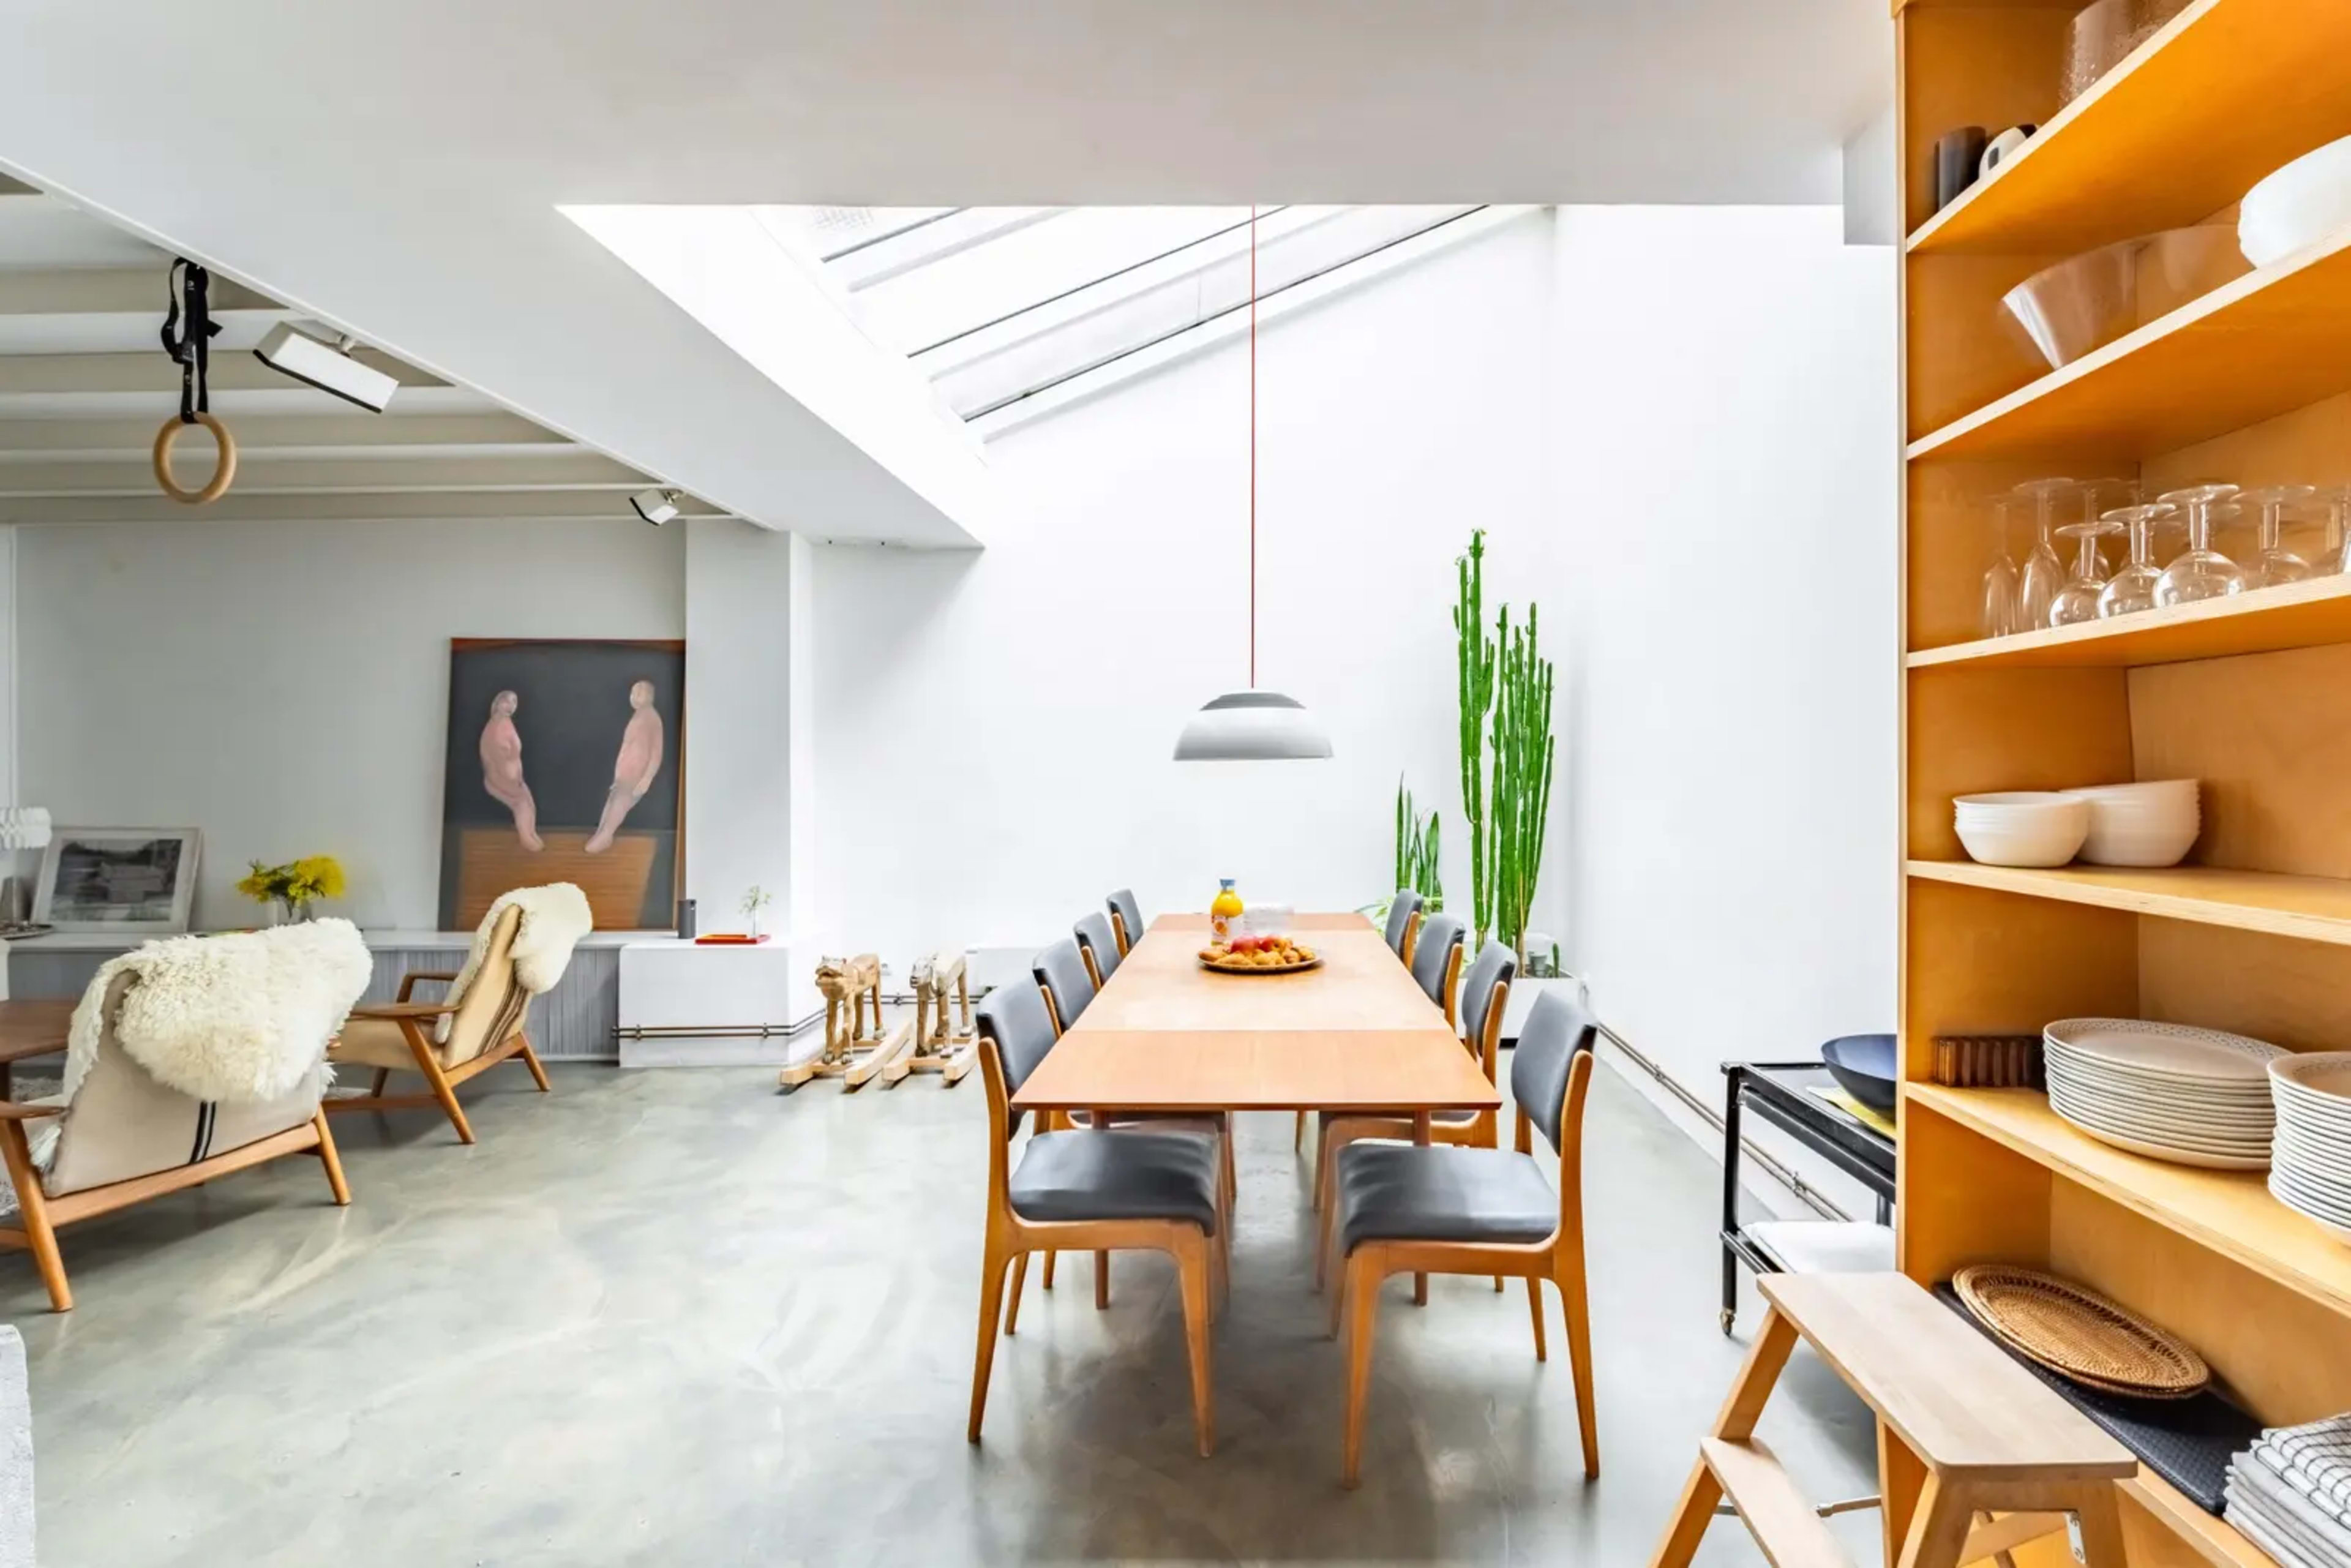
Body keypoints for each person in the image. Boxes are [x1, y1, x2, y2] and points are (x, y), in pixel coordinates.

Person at [585, 679, 664, 853]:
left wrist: (647, 777)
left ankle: (606, 835)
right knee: (613, 800)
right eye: (633, 692)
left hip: (637, 772)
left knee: (620, 802)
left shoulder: (652, 718)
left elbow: (657, 752)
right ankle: (601, 833)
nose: (634, 696)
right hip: (624, 773)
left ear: (651, 696)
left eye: (640, 692)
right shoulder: (639, 716)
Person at [478, 689, 542, 850]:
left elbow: (514, 756)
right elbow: (491, 761)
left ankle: (531, 834)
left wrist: (517, 779)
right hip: (500, 780)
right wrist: (507, 781)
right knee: (521, 804)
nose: (511, 706)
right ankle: (526, 838)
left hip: (515, 780)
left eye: (514, 702)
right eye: (507, 701)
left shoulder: (507, 723)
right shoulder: (492, 729)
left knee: (529, 803)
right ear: (497, 703)